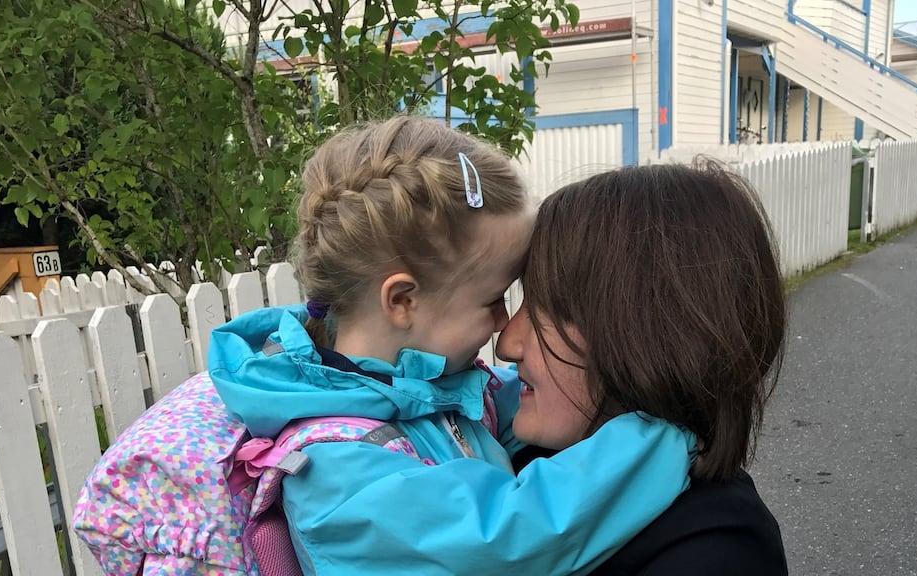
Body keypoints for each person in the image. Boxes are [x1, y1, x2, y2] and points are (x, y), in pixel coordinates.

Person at [207, 116, 696, 576]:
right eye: (494, 299)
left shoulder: (417, 391)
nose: (507, 330)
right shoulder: (340, 471)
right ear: (402, 300)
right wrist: (667, 432)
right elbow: (512, 534)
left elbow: (514, 395)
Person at [499, 162, 789, 575]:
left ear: (651, 335)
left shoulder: (712, 552)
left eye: (551, 308)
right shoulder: (532, 469)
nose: (507, 344)